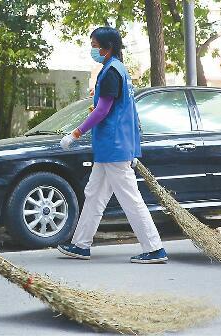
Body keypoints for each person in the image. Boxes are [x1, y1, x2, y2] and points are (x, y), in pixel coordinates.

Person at [57, 27, 167, 264]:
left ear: (107, 48)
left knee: (129, 198)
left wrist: (75, 133)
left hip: (113, 146)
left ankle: (155, 248)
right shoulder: (118, 70)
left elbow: (103, 110)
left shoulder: (111, 73)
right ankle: (80, 245)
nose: (93, 49)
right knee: (94, 194)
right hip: (113, 146)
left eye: (95, 45)